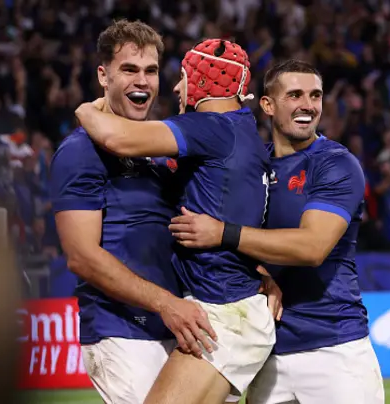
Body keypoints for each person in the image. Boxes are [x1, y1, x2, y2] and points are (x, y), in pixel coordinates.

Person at [168, 59, 385, 404]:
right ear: (267, 104)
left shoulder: (335, 163)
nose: (308, 105)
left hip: (334, 350)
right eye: (295, 95)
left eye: (315, 95)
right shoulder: (253, 165)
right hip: (267, 353)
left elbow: (312, 247)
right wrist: (260, 273)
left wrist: (224, 232)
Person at [75, 38, 275, 404]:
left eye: (182, 77)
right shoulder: (245, 133)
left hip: (223, 315)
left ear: (202, 80)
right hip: (237, 311)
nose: (176, 87)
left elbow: (115, 138)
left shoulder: (211, 127)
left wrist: (86, 111)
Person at [50, 20, 216, 404]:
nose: (142, 81)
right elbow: (81, 257)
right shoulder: (80, 152)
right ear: (103, 76)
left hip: (178, 326)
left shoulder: (163, 146)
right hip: (121, 330)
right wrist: (165, 304)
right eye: (129, 69)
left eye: (151, 71)